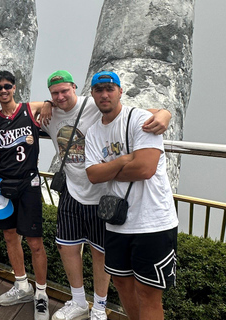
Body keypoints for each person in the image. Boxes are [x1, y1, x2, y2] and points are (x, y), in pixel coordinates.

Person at [41, 70, 171, 320]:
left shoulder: (96, 105)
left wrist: (165, 112)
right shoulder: (52, 111)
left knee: (101, 253)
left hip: (103, 197)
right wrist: (47, 104)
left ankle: (99, 306)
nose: (60, 96)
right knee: (67, 247)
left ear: (76, 89)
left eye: (65, 91)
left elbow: (148, 116)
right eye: (54, 93)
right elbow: (23, 105)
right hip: (72, 189)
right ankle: (79, 302)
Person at [85, 71, 178, 319]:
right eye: (99, 90)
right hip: (118, 223)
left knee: (148, 292)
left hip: (152, 221)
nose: (105, 94)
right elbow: (93, 175)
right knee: (123, 285)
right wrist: (126, 159)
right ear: (93, 94)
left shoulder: (141, 119)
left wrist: (110, 168)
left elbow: (145, 168)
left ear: (120, 91)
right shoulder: (94, 132)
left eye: (110, 88)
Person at [0, 70, 52, 320]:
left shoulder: (28, 109)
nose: (3, 90)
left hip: (29, 183)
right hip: (5, 184)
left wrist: (50, 104)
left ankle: (41, 293)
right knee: (10, 236)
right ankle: (22, 285)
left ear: (14, 87)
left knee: (34, 242)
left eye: (7, 86)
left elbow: (49, 102)